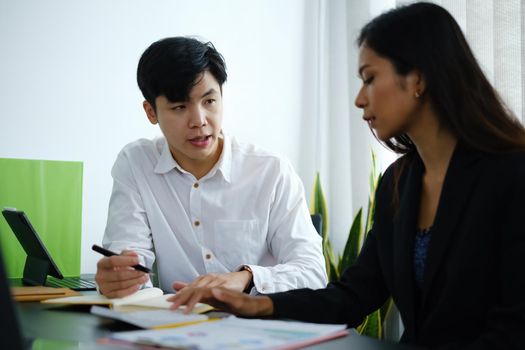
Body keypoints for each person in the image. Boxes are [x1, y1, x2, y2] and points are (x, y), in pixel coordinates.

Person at [169, 3, 525, 349]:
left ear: (417, 78)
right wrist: (259, 304)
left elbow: (514, 329)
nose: (359, 99)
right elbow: (355, 295)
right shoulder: (397, 184)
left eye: (369, 78)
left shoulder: (511, 174)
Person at [95, 37, 327, 298]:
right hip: (175, 328)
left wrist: (246, 277)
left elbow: (313, 272)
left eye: (209, 101)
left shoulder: (270, 171)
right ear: (151, 112)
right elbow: (127, 259)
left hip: (261, 327)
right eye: (180, 107)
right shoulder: (136, 163)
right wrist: (119, 279)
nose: (199, 121)